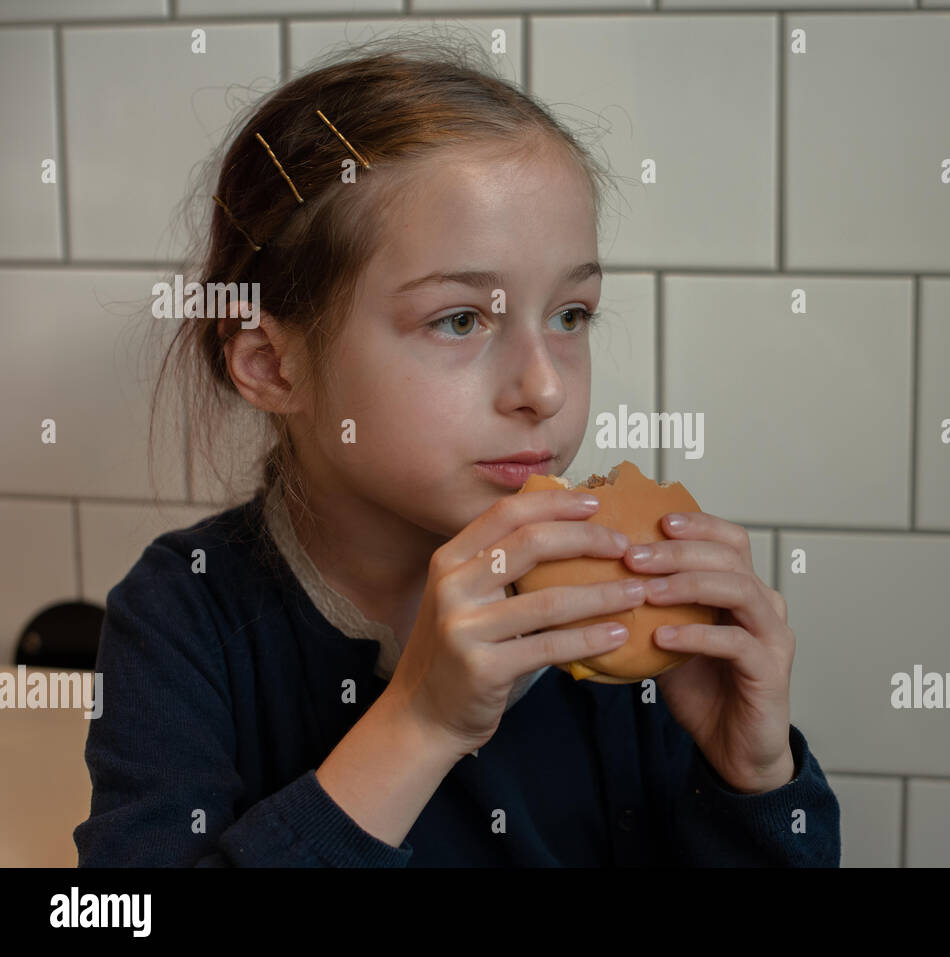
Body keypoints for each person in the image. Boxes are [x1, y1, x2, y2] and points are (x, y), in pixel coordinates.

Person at [73, 35, 840, 867]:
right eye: (460, 319)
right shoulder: (183, 616)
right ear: (272, 364)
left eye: (570, 315)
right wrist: (420, 722)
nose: (543, 388)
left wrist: (754, 782)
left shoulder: (620, 602)